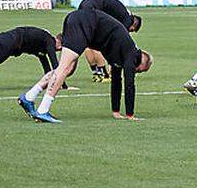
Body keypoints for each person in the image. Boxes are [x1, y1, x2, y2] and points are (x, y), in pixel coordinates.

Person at [17, 8, 151, 123]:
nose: (136, 72)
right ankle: (42, 110)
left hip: (79, 20)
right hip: (83, 24)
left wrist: (116, 111)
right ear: (140, 62)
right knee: (64, 68)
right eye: (140, 71)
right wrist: (130, 115)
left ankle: (29, 97)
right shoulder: (131, 53)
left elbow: (117, 81)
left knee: (65, 69)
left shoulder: (120, 53)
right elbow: (129, 84)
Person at [76, 0, 142, 82]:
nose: (130, 32)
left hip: (86, 3)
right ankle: (104, 74)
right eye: (132, 30)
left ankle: (96, 72)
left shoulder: (122, 13)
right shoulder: (127, 21)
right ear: (134, 24)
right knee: (99, 41)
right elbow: (119, 46)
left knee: (89, 42)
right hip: (93, 7)